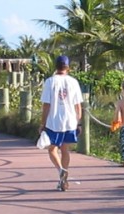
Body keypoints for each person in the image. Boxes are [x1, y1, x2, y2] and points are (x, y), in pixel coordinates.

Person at [39, 55, 83, 191]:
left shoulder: (50, 81)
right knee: (65, 150)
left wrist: (42, 123)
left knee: (52, 149)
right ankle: (63, 180)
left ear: (56, 66)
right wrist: (78, 122)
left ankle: (61, 171)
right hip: (70, 121)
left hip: (54, 121)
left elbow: (46, 104)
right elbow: (78, 106)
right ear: (67, 67)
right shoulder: (73, 82)